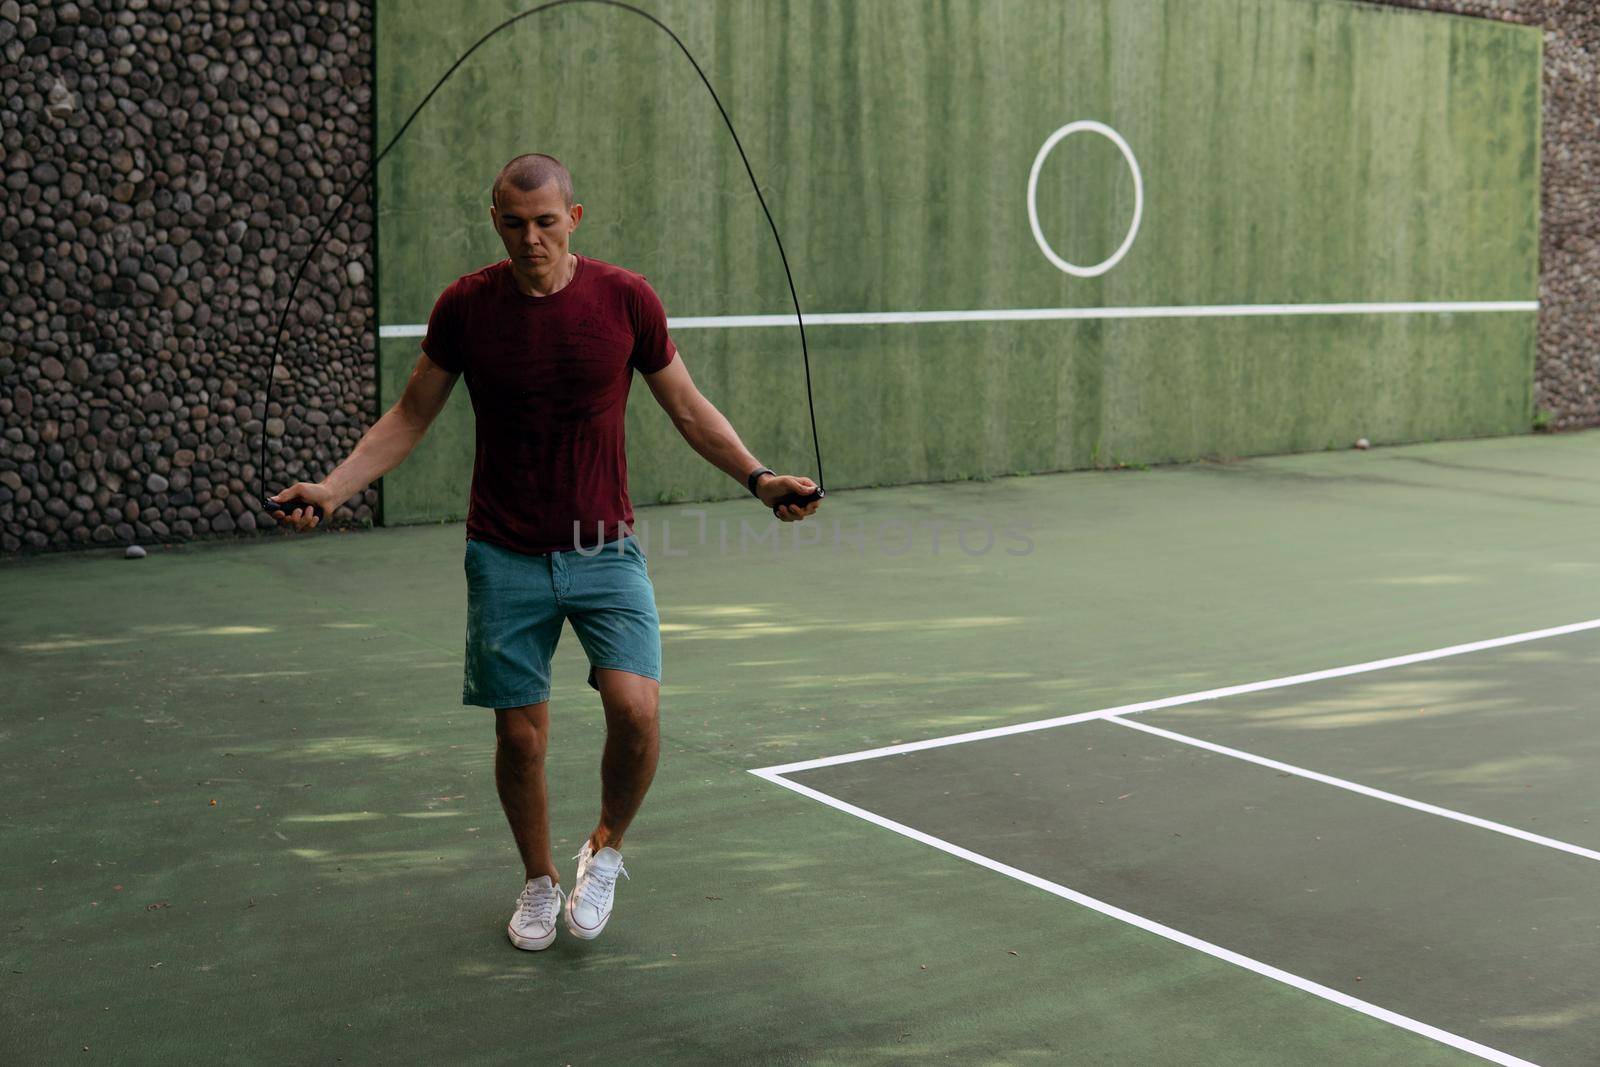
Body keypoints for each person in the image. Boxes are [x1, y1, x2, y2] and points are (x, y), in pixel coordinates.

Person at [269, 152, 821, 950]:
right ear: (497, 220)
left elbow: (689, 408)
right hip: (504, 552)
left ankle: (605, 847)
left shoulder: (627, 300)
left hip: (604, 547)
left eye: (546, 222)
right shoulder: (465, 307)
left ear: (575, 219)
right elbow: (409, 415)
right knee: (520, 737)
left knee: (636, 711)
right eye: (515, 223)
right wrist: (331, 487)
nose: (531, 238)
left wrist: (760, 478)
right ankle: (537, 879)